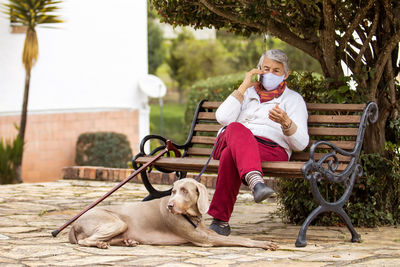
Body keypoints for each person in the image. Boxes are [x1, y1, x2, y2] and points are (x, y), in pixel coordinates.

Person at [208, 49, 309, 236]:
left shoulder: (293, 100)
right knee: (235, 128)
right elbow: (222, 118)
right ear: (258, 70)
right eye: (266, 68)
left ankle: (220, 222)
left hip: (269, 148)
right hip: (232, 138)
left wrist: (286, 123)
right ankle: (256, 184)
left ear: (286, 74)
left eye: (276, 71)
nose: (270, 74)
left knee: (230, 154)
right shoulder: (246, 93)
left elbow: (301, 143)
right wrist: (244, 86)